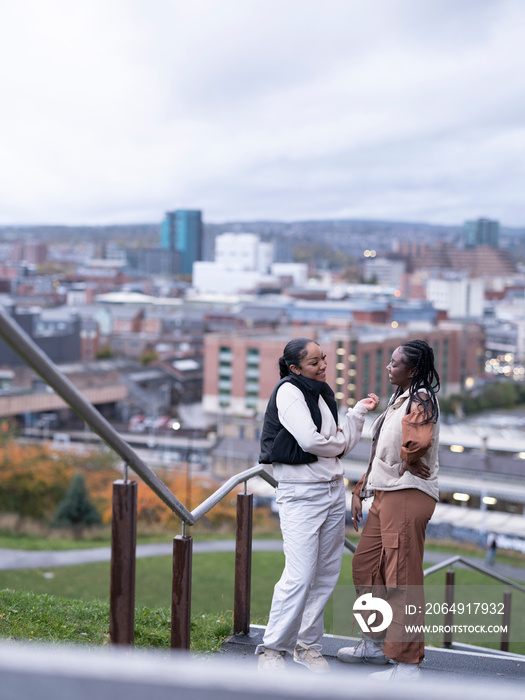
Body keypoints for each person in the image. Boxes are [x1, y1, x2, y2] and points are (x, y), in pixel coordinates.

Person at [256, 337, 379, 672]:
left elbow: (338, 446)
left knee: (326, 574)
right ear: (295, 368)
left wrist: (357, 414)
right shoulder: (289, 391)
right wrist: (334, 443)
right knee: (299, 574)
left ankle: (306, 645)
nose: (323, 365)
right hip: (301, 493)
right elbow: (312, 441)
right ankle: (272, 650)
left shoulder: (321, 393)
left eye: (323, 358)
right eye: (314, 362)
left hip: (330, 490)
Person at [337, 339, 440, 682]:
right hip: (384, 494)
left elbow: (417, 442)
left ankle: (407, 666)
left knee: (401, 580)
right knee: (365, 566)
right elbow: (384, 451)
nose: (388, 367)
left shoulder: (421, 397)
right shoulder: (400, 400)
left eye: (395, 363)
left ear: (412, 370)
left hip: (407, 495)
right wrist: (361, 488)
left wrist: (411, 460)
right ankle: (375, 644)